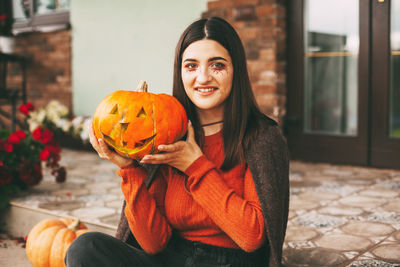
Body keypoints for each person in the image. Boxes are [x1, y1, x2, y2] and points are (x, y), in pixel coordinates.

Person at [65, 16, 289, 267]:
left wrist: (195, 166)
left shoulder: (262, 138)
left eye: (217, 65)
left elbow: (252, 237)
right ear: (180, 72)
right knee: (86, 248)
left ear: (236, 69)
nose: (203, 78)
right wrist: (130, 170)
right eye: (191, 66)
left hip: (232, 262)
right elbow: (153, 243)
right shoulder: (166, 133)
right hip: (173, 257)